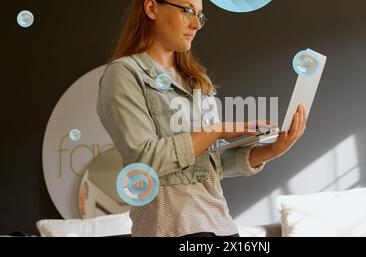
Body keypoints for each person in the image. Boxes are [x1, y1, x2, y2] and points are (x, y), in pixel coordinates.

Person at [97, 0, 307, 237]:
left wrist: (272, 150)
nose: (197, 24)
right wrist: (215, 130)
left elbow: (210, 164)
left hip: (222, 226)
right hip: (173, 229)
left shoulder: (196, 79)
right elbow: (144, 160)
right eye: (187, 11)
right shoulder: (124, 74)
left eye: (200, 15)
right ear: (152, 8)